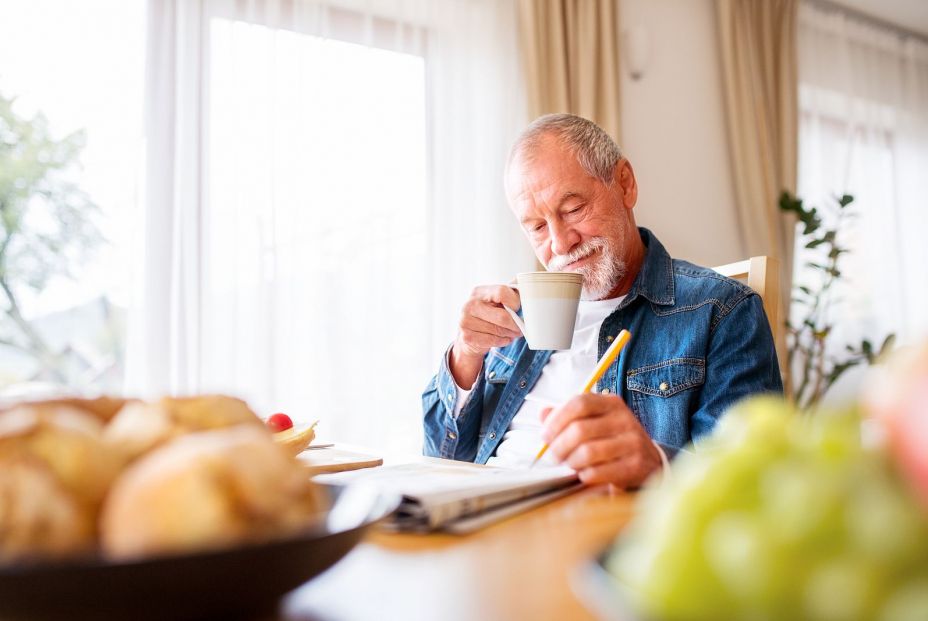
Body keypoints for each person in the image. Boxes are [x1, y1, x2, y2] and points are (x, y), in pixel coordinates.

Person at [422, 113, 782, 489]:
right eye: (538, 227)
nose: (561, 244)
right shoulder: (516, 314)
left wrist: (657, 467)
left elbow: (753, 482)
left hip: (601, 534)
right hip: (485, 520)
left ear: (624, 184)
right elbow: (439, 460)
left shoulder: (720, 309)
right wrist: (465, 356)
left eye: (574, 210)